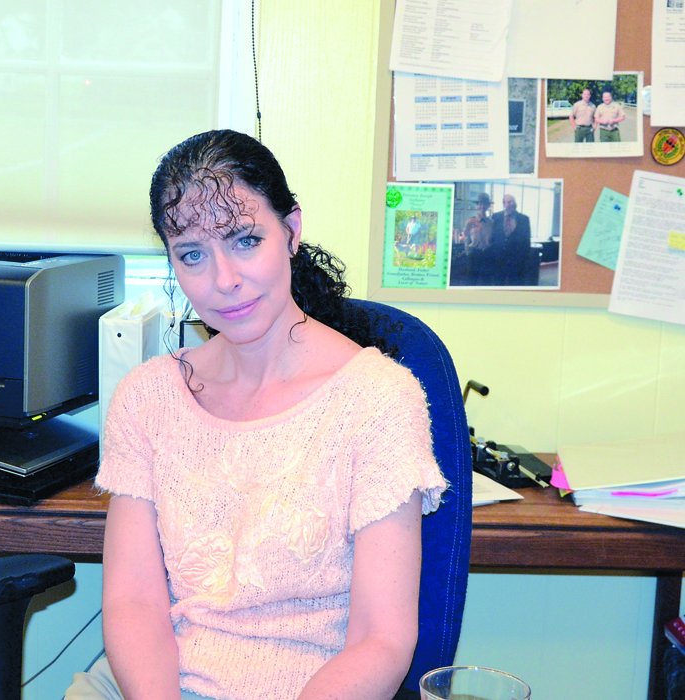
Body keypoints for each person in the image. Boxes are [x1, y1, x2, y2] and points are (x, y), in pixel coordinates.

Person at [64, 130, 446, 700]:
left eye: (245, 240)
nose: (223, 280)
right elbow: (134, 602)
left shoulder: (379, 401)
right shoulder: (148, 398)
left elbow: (381, 638)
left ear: (291, 231)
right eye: (192, 254)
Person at [490, 193, 532, 286]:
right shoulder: (495, 217)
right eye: (508, 202)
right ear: (504, 204)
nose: (511, 204)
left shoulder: (524, 219)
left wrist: (524, 260)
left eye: (513, 201)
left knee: (515, 286)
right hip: (499, 261)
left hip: (517, 261)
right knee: (498, 285)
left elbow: (526, 241)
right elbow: (492, 237)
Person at [461, 192, 495, 285]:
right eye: (480, 204)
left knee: (486, 282)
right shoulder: (470, 222)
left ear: (488, 206)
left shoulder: (491, 223)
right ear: (477, 205)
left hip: (487, 255)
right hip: (474, 255)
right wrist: (468, 252)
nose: (482, 206)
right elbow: (466, 239)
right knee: (471, 281)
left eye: (485, 204)